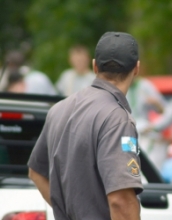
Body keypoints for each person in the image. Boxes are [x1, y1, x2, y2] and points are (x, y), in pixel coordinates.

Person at [28, 32, 143, 220]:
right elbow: (121, 200)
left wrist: (68, 212)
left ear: (94, 66)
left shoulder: (58, 109)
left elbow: (36, 173)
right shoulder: (117, 118)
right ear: (136, 68)